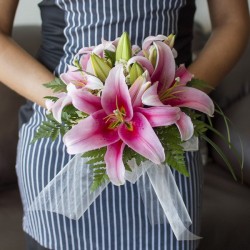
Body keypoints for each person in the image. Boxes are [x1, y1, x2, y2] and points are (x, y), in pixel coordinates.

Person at [0, 0, 249, 249]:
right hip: (62, 142)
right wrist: (70, 103)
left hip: (166, 137)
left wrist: (174, 100)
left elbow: (232, 22)